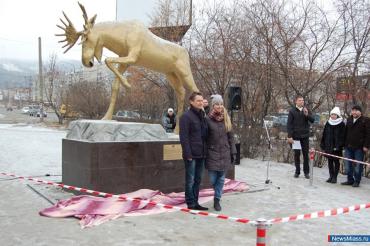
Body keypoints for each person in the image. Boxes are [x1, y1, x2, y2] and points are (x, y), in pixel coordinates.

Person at [205, 94, 236, 211]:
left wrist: (233, 151)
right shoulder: (207, 120)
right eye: (217, 104)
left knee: (221, 179)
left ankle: (217, 199)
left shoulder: (226, 119)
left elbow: (231, 137)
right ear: (213, 106)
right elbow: (204, 138)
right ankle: (217, 191)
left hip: (224, 152)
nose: (219, 106)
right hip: (212, 153)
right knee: (213, 179)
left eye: (221, 104)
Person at [179, 92, 208, 210]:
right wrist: (188, 153)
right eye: (198, 100)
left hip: (201, 153)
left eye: (202, 100)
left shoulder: (202, 115)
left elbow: (205, 135)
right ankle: (190, 203)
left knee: (198, 179)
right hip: (191, 154)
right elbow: (184, 137)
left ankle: (196, 202)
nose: (201, 102)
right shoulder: (186, 116)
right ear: (191, 102)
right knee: (190, 180)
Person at [341, 105, 370, 188]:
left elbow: (368, 134)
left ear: (360, 112)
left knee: (358, 165)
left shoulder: (365, 120)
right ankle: (350, 180)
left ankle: (357, 181)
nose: (354, 112)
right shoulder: (349, 119)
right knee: (347, 164)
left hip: (359, 147)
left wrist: (366, 146)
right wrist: (344, 144)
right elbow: (345, 133)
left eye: (356, 110)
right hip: (348, 146)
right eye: (353, 110)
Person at [287, 95, 315, 179]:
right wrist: (289, 136)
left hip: (305, 136)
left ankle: (306, 172)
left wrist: (307, 115)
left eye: (302, 100)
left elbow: (312, 120)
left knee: (306, 155)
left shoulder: (306, 110)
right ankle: (297, 171)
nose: (302, 102)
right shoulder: (292, 111)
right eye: (300, 100)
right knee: (297, 154)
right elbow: (289, 124)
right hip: (295, 137)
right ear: (296, 101)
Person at [320, 106, 345, 184]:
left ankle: (335, 177)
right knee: (330, 161)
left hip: (337, 147)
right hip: (328, 145)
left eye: (335, 115)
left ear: (338, 115)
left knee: (336, 161)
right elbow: (324, 134)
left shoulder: (341, 124)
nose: (333, 116)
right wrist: (323, 144)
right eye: (332, 114)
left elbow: (343, 136)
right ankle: (331, 176)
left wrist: (339, 146)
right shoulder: (328, 123)